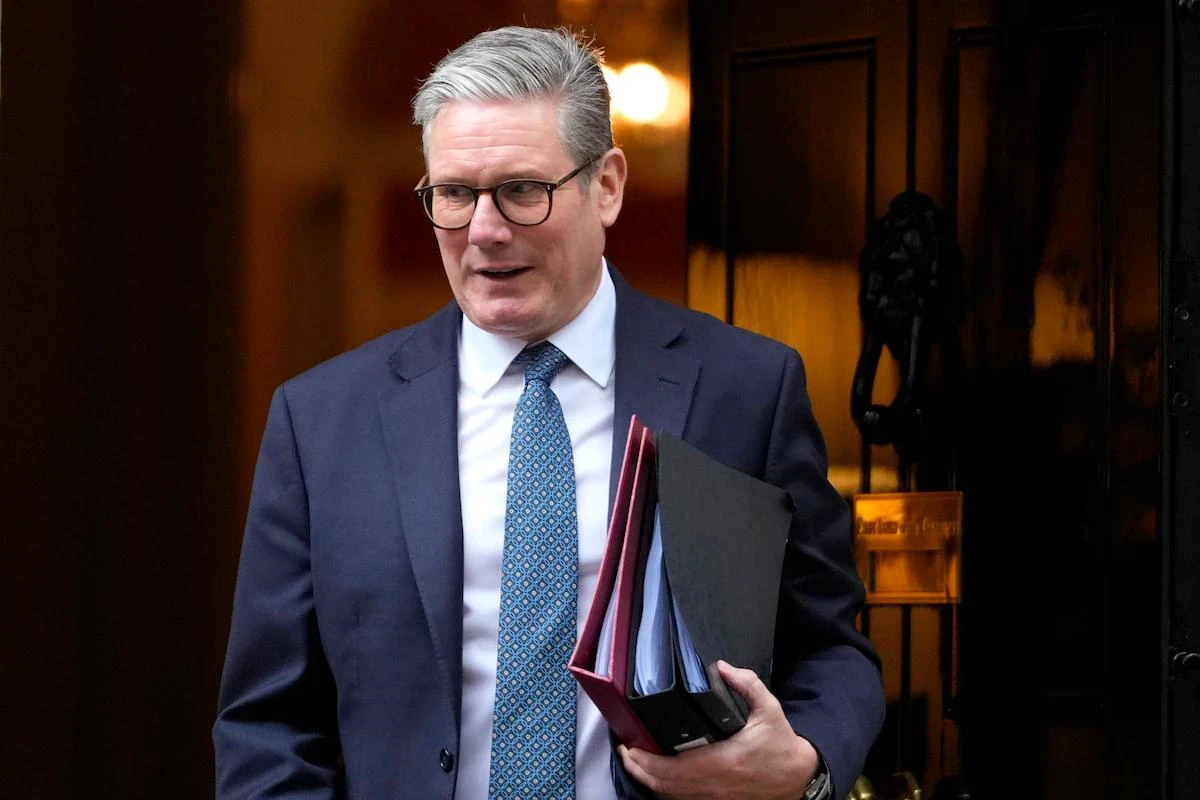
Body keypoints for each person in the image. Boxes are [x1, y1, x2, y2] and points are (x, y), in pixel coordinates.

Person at [214, 25, 884, 800]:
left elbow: (831, 648)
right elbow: (268, 727)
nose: (485, 230)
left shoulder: (747, 389)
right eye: (455, 194)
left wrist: (802, 765)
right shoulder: (323, 422)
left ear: (608, 186)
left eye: (522, 191)